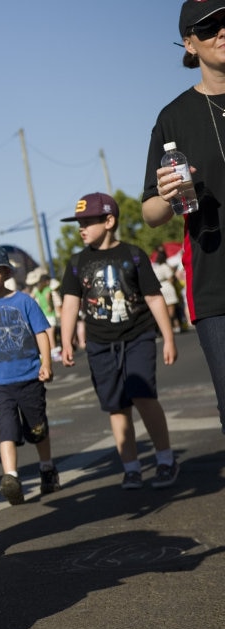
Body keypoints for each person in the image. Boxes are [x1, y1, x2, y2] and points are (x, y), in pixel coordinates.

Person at [142, 0, 225, 435]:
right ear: (190, 44)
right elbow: (151, 212)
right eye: (210, 26)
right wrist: (167, 193)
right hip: (216, 284)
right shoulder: (173, 118)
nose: (222, 31)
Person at [60, 193, 179, 489]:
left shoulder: (134, 255)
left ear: (109, 221)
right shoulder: (77, 263)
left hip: (138, 336)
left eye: (88, 221)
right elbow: (71, 305)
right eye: (79, 223)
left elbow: (153, 297)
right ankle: (132, 467)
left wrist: (168, 338)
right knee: (117, 406)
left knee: (143, 395)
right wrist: (66, 342)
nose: (81, 228)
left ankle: (165, 459)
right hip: (100, 343)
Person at [0, 246, 59, 504]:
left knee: (37, 428)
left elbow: (41, 332)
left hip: (30, 377)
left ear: (7, 273)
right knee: (6, 430)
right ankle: (11, 478)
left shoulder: (24, 301)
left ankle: (47, 468)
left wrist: (46, 363)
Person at [26, 269, 63, 361]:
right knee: (51, 335)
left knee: (43, 334)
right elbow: (48, 298)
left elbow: (30, 298)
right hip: (49, 313)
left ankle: (46, 353)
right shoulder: (47, 289)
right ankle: (53, 352)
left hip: (42, 313)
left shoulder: (36, 291)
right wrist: (49, 305)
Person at [152, 246, 182, 334]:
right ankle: (165, 327)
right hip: (167, 287)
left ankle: (173, 326)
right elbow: (171, 279)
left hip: (160, 287)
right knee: (171, 310)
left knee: (165, 309)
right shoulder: (165, 266)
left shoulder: (156, 267)